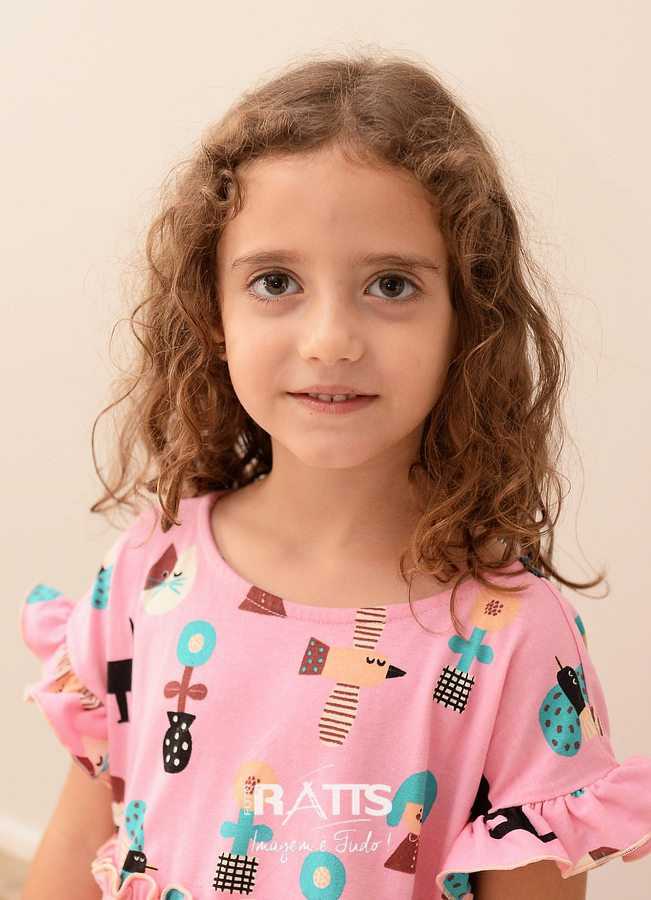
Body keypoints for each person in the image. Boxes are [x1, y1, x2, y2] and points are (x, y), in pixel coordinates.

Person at [19, 49, 651, 900]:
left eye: (390, 285)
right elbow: (77, 847)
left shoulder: (514, 636)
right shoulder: (149, 567)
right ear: (213, 313)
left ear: (466, 319)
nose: (330, 340)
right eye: (275, 281)